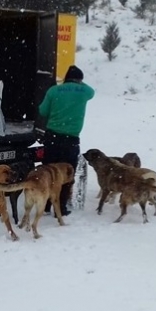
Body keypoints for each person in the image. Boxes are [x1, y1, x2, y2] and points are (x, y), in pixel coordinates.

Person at [38, 65, 95, 216]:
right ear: (80, 80)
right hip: (71, 139)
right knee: (67, 173)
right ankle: (60, 207)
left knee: (49, 171)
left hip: (52, 137)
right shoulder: (84, 91)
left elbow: (42, 111)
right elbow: (92, 91)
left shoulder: (53, 91)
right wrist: (78, 85)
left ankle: (46, 204)